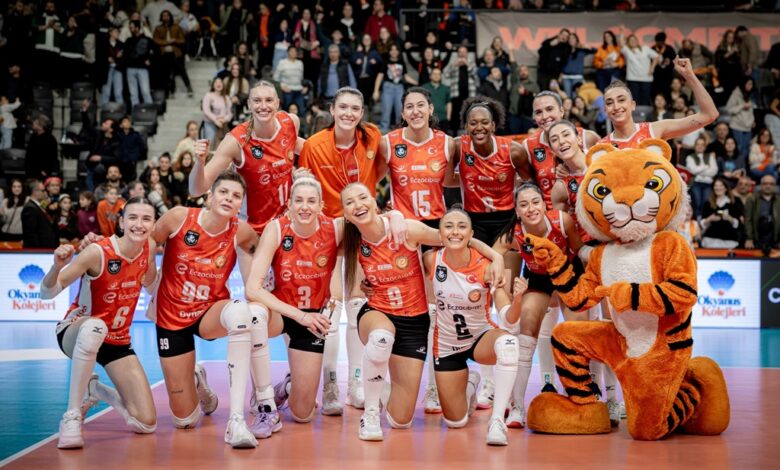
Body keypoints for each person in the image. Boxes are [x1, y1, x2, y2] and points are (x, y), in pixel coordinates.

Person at [340, 182, 504, 441]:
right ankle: (370, 414)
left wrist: (497, 257)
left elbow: (452, 237)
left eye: (362, 198)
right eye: (349, 202)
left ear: (374, 202)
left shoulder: (406, 229)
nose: (357, 205)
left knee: (401, 420)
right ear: (346, 215)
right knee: (381, 337)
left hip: (414, 321)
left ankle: (466, 384)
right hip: (378, 311)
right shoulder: (348, 236)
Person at [145, 171, 260, 447]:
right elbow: (148, 240)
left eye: (236, 196)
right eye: (223, 192)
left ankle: (239, 417)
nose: (229, 199)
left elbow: (267, 251)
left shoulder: (242, 231)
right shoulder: (179, 217)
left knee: (242, 313)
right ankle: (197, 381)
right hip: (171, 316)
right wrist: (148, 278)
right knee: (185, 420)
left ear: (240, 204)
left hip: (210, 312)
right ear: (210, 196)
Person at [41, 197, 158, 449]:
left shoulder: (149, 248)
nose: (139, 224)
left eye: (146, 219)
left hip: (117, 340)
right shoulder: (97, 252)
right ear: (122, 222)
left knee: (146, 423)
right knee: (96, 327)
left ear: (153, 224)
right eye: (133, 218)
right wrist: (56, 267)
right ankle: (71, 416)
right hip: (76, 331)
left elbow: (152, 285)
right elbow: (47, 293)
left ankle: (95, 390)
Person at [298, 87, 384, 416]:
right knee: (331, 310)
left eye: (355, 108)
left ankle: (356, 383)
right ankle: (330, 383)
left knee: (358, 306)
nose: (349, 113)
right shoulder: (314, 145)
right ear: (332, 110)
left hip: (361, 229)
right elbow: (305, 187)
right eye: (343, 107)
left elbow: (380, 171)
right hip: (328, 231)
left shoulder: (372, 137)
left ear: (362, 113)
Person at [424, 209, 520, 446]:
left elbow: (508, 318)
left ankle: (497, 421)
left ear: (471, 234)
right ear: (439, 234)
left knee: (508, 344)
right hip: (447, 346)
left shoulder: (488, 267)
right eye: (448, 226)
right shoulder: (431, 260)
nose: (455, 232)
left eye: (462, 226)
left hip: (479, 338)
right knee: (455, 421)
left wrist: (518, 300)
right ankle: (471, 385)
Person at [492, 183, 584, 428]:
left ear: (544, 205)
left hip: (569, 273)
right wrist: (496, 266)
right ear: (517, 211)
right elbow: (492, 254)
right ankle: (517, 407)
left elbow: (579, 250)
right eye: (523, 205)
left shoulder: (562, 221)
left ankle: (585, 396)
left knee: (577, 333)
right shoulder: (514, 234)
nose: (530, 208)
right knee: (527, 327)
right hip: (539, 278)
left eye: (535, 202)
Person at [191, 80, 300, 235]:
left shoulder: (290, 122)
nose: (263, 106)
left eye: (269, 100)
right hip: (252, 230)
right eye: (257, 101)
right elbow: (196, 190)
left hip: (287, 225)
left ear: (277, 103)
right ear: (249, 104)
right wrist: (199, 163)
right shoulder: (235, 141)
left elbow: (307, 148)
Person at [450, 96, 531, 246]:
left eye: (485, 122)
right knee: (479, 261)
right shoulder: (458, 147)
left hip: (506, 219)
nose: (479, 127)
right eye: (473, 123)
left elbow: (530, 181)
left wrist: (514, 185)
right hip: (473, 219)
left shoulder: (514, 151)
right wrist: (468, 179)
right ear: (466, 127)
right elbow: (448, 180)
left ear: (493, 125)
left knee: (504, 261)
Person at [601, 58, 719, 149]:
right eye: (609, 103)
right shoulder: (603, 147)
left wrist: (690, 76)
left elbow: (709, 115)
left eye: (621, 100)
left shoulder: (654, 130)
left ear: (633, 105)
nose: (616, 106)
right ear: (605, 110)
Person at [523, 91, 600, 209]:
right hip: (551, 213)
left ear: (562, 111)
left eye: (549, 109)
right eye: (538, 112)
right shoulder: (528, 146)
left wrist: (574, 168)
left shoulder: (588, 137)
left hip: (590, 209)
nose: (544, 116)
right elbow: (528, 184)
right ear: (534, 117)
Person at [374, 43, 417, 133]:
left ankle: (399, 131)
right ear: (389, 52)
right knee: (386, 110)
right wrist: (376, 90)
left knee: (400, 110)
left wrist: (417, 82)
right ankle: (384, 131)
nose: (394, 51)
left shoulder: (401, 62)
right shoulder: (386, 62)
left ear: (398, 51)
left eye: (396, 49)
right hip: (388, 87)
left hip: (399, 88)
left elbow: (405, 77)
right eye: (392, 50)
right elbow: (380, 76)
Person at [700, 176, 744, 249]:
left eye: (721, 185)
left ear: (726, 188)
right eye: (716, 186)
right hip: (711, 239)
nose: (718, 188)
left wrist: (729, 218)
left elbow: (739, 224)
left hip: (729, 240)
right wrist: (710, 219)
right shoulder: (708, 203)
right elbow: (702, 223)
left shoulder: (735, 202)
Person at [744, 174, 780, 255]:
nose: (768, 186)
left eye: (771, 184)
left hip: (774, 236)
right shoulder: (752, 199)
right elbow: (748, 220)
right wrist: (749, 238)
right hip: (757, 236)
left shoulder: (779, 200)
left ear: (775, 186)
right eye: (765, 183)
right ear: (760, 185)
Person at [619, 34, 658, 107]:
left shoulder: (645, 48)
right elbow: (621, 44)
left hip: (646, 79)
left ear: (637, 41)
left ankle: (645, 114)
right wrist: (622, 32)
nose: (633, 41)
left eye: (634, 39)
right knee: (635, 101)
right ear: (628, 42)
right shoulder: (627, 50)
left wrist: (652, 68)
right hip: (632, 79)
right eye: (630, 40)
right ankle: (636, 114)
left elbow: (656, 57)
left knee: (645, 100)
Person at [686, 137, 719, 219]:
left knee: (706, 203)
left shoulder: (710, 157)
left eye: (702, 144)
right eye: (698, 144)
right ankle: (697, 221)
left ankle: (704, 221)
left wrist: (699, 171)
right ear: (695, 146)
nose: (700, 146)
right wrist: (706, 167)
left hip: (708, 183)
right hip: (696, 183)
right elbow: (693, 170)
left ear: (705, 147)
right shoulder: (690, 157)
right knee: (697, 203)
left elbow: (714, 171)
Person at [124, 20, 154, 108]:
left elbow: (154, 52)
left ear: (137, 28)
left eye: (132, 27)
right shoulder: (128, 40)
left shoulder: (147, 40)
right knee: (133, 94)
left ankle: (149, 111)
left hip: (142, 68)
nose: (130, 29)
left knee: (145, 92)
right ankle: (135, 113)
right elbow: (126, 54)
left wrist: (149, 60)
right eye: (130, 27)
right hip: (130, 68)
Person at [22, 179, 58, 248]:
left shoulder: (38, 206)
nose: (45, 193)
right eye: (43, 191)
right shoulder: (30, 208)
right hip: (38, 251)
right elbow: (31, 235)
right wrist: (39, 251)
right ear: (35, 191)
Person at [727, 77, 757, 161]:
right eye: (748, 84)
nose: (750, 86)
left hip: (748, 127)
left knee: (746, 149)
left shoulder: (750, 94)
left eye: (751, 84)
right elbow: (729, 109)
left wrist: (753, 121)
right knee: (738, 148)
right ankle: (737, 165)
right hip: (737, 126)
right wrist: (742, 106)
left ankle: (742, 165)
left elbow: (751, 111)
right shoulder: (736, 94)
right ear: (744, 84)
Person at [201, 78, 233, 147]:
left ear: (223, 85)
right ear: (213, 85)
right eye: (216, 82)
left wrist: (224, 119)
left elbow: (230, 113)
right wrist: (215, 120)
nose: (218, 84)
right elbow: (206, 110)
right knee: (210, 144)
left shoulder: (227, 97)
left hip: (223, 124)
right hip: (210, 124)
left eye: (220, 82)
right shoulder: (209, 95)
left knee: (222, 146)